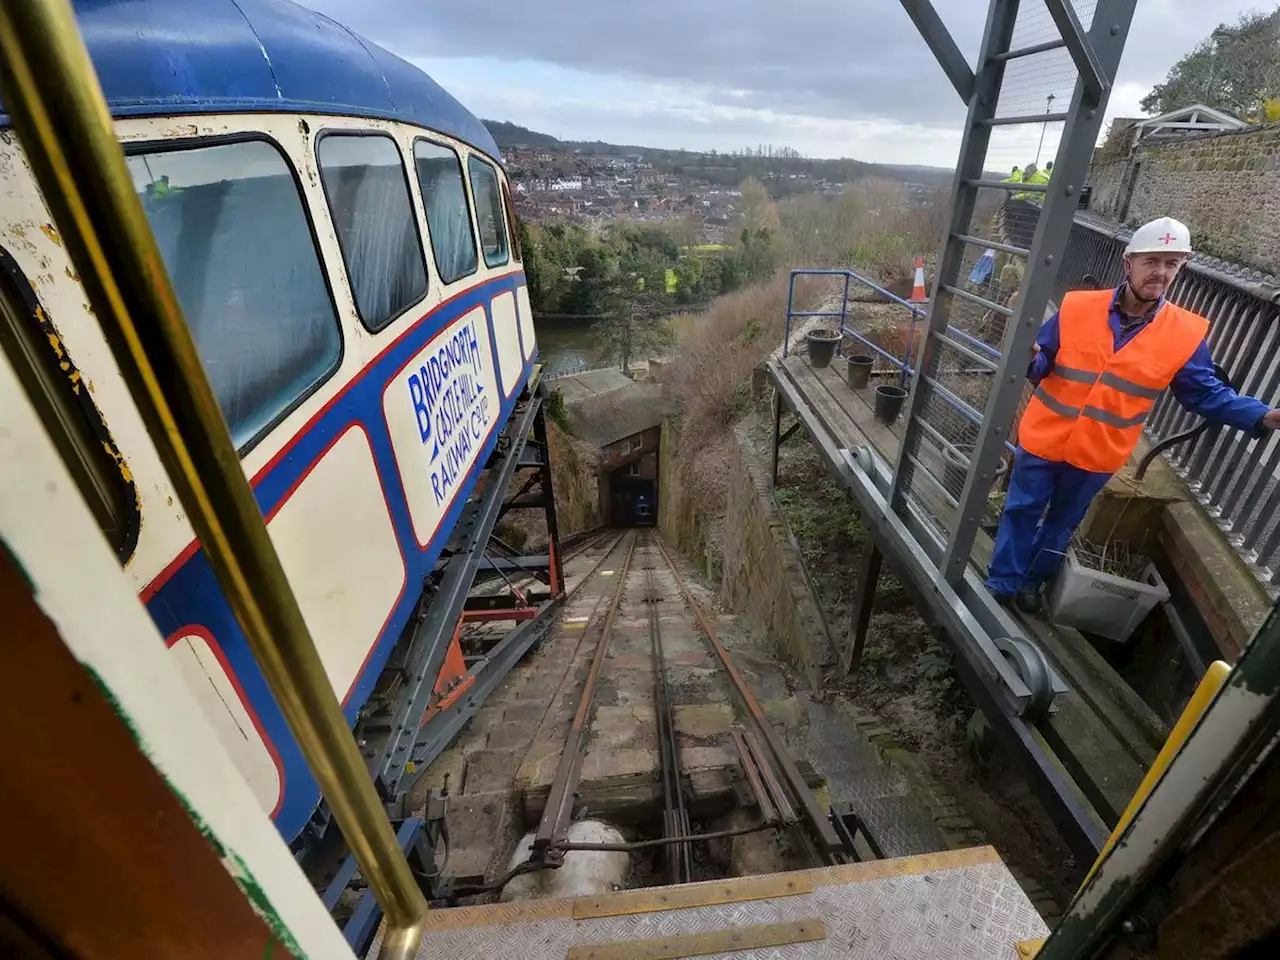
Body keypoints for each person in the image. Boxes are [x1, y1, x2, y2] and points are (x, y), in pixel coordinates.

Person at [986, 216, 1280, 613]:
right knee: (1022, 510)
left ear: (1181, 267)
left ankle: (1032, 583)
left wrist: (1261, 416)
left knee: (1061, 523)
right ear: (1129, 264)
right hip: (1045, 435)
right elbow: (1043, 362)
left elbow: (1204, 394)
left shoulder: (1185, 334)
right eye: (1152, 262)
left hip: (1098, 452)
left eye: (1171, 264)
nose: (1160, 272)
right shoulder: (1078, 307)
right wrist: (1031, 358)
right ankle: (1003, 583)